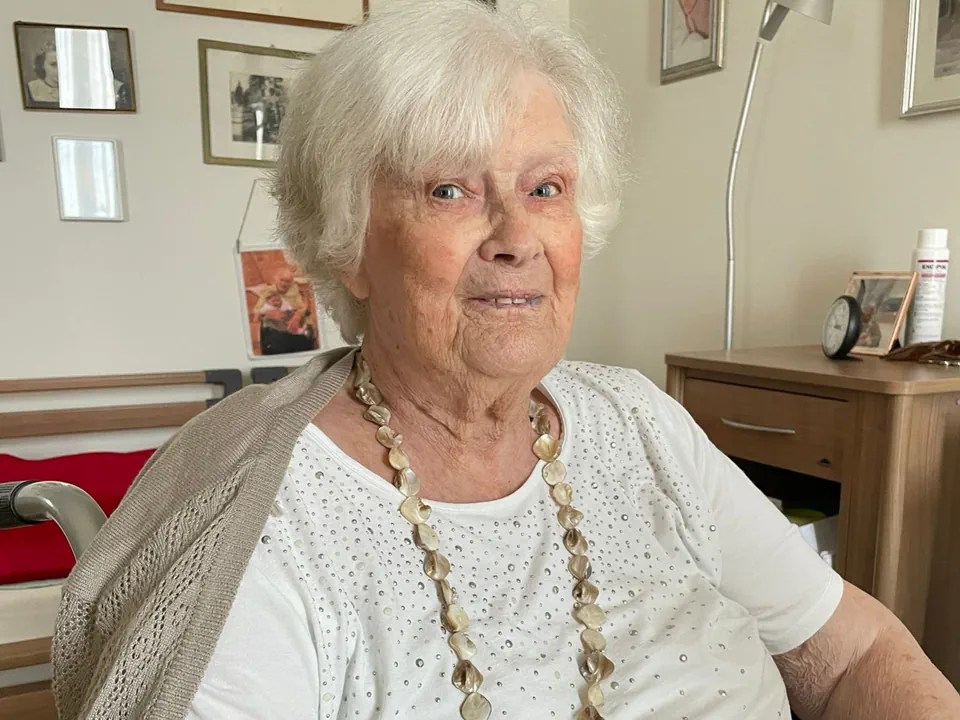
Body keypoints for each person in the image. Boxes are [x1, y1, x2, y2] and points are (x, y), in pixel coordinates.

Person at [52, 2, 960, 719]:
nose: (517, 237)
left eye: (545, 188)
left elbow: (859, 655)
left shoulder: (638, 420)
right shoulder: (264, 519)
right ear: (348, 243)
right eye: (450, 189)